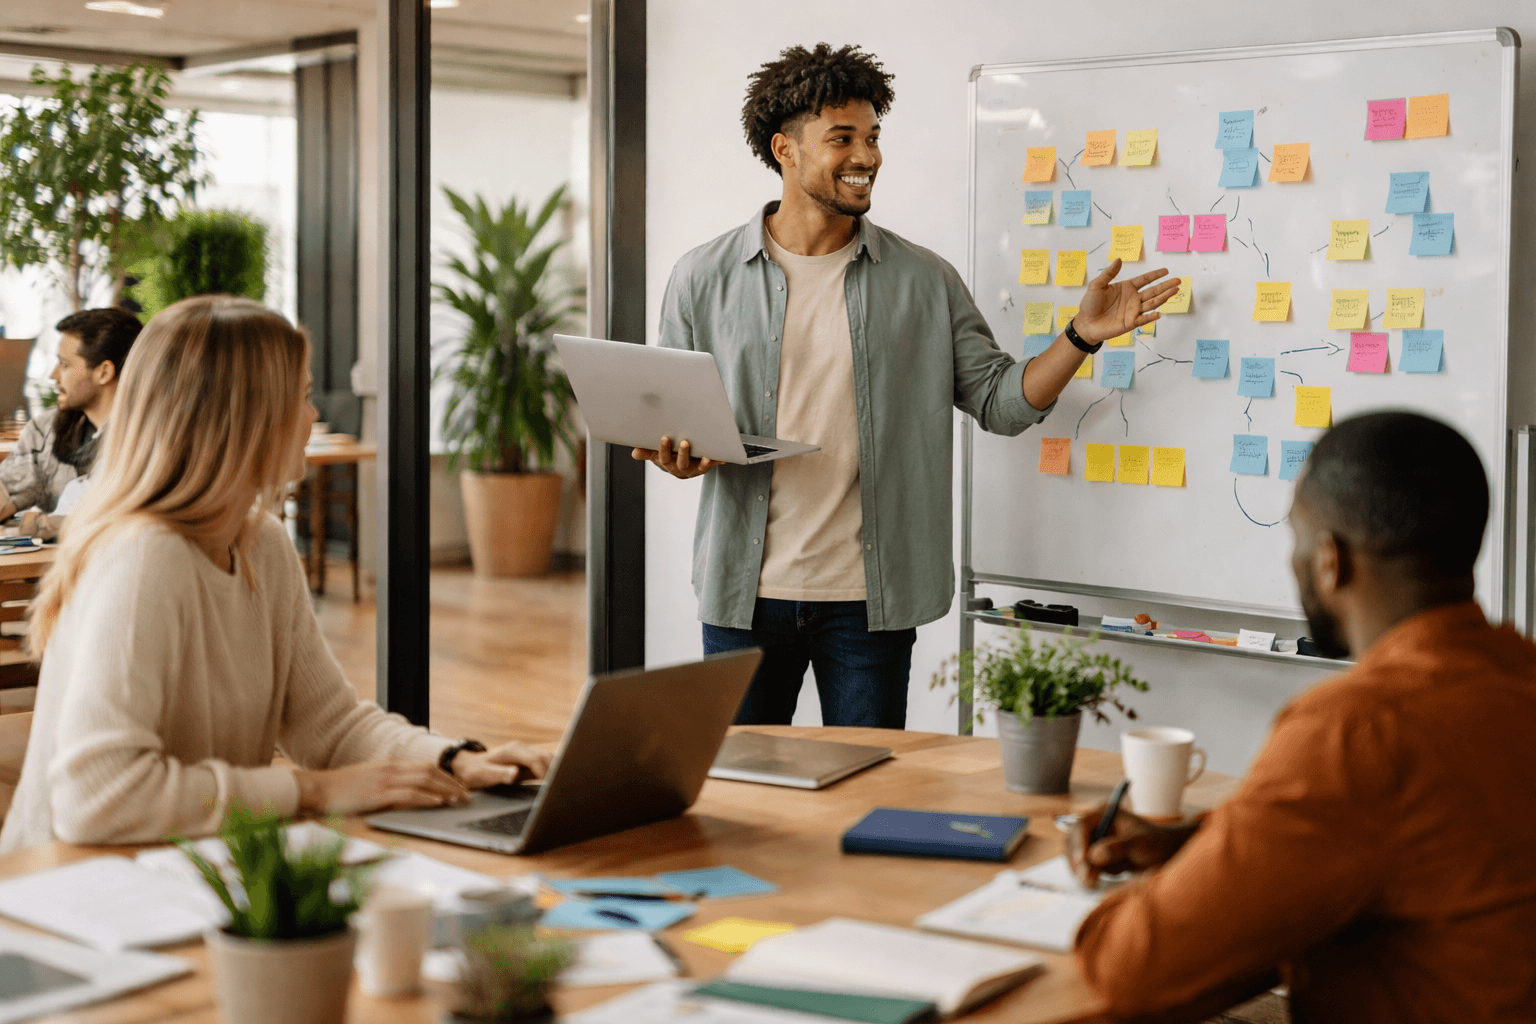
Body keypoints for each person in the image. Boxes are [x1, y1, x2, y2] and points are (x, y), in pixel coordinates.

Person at [636, 43, 1179, 728]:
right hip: (743, 596)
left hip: (870, 602)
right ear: (786, 150)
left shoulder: (924, 281)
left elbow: (1002, 406)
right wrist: (678, 457)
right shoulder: (702, 276)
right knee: (743, 796)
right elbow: (681, 424)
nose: (867, 156)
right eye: (843, 138)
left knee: (867, 792)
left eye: (872, 137)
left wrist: (1079, 336)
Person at [0, 296, 549, 854]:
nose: (313, 418)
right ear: (239, 420)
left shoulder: (260, 541)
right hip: (71, 891)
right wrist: (309, 791)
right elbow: (98, 798)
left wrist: (457, 761)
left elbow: (329, 727)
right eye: (303, 398)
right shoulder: (145, 557)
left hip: (186, 871)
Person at [1067, 411, 1536, 1023]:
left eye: (1296, 537)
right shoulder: (1517, 672)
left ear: (1329, 559)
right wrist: (1201, 845)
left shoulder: (1358, 730)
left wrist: (1114, 902)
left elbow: (1130, 967)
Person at [0, 307, 141, 537]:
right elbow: (7, 488)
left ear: (104, 372)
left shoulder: (149, 437)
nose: (53, 375)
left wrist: (41, 525)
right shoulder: (47, 430)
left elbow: (124, 524)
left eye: (64, 365)